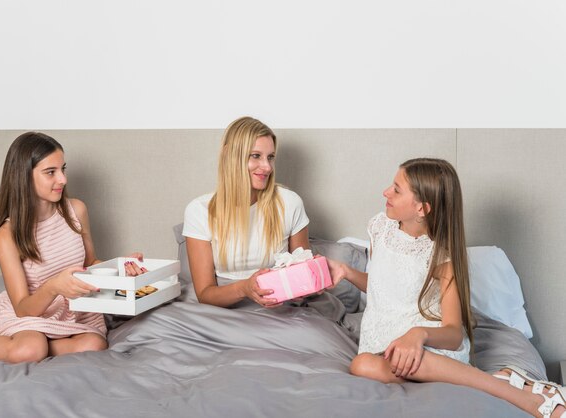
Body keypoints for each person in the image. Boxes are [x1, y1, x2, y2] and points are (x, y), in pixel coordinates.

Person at [328, 158, 565, 418]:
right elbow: (381, 288)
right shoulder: (380, 228)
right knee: (363, 365)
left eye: (396, 189)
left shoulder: (442, 257)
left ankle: (522, 398)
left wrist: (418, 334)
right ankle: (474, 381)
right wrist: (348, 273)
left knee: (392, 363)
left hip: (430, 348)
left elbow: (453, 333)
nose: (385, 192)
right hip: (384, 345)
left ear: (422, 208)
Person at [0, 132, 144, 363]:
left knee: (94, 344)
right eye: (50, 172)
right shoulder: (7, 235)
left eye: (62, 169)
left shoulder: (76, 210)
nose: (63, 180)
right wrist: (54, 287)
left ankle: (5, 344)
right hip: (32, 311)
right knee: (30, 349)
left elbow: (90, 264)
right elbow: (23, 309)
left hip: (75, 311)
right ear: (23, 177)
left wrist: (120, 269)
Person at [183, 116, 310, 308]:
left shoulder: (290, 203)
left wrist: (304, 286)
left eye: (271, 157)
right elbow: (205, 293)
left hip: (277, 307)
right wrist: (244, 289)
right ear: (229, 155)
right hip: (221, 308)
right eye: (255, 155)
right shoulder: (199, 210)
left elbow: (303, 280)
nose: (267, 167)